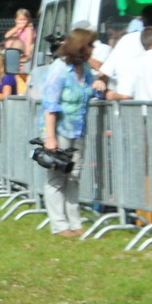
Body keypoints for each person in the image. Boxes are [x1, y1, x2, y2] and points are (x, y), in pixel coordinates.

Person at [42, 29, 102, 238]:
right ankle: (59, 225)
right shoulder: (59, 69)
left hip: (78, 130)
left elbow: (89, 90)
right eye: (90, 45)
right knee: (57, 178)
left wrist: (97, 84)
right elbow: (50, 105)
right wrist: (50, 138)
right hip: (59, 130)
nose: (93, 48)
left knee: (74, 176)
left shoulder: (85, 68)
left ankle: (75, 223)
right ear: (80, 46)